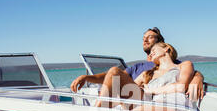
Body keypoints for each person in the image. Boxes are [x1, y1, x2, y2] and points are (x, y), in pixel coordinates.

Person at [70, 27, 205, 106]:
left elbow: (186, 73)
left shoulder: (174, 64)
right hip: (131, 95)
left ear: (162, 44)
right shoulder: (139, 67)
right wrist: (88, 77)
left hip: (146, 99)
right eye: (143, 38)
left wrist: (197, 77)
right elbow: (113, 77)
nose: (145, 40)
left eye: (150, 37)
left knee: (115, 75)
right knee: (114, 73)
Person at [131, 42, 194, 111]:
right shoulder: (146, 74)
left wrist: (150, 90)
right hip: (152, 103)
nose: (151, 54)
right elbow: (130, 89)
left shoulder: (183, 65)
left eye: (154, 50)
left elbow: (180, 87)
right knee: (115, 71)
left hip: (174, 103)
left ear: (166, 49)